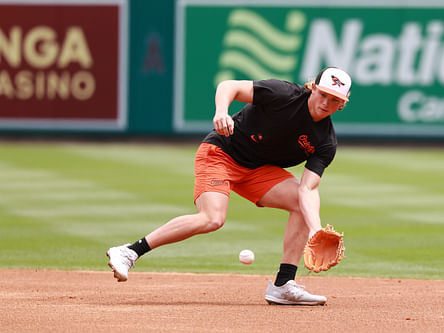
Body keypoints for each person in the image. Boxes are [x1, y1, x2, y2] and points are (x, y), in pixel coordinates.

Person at [106, 67, 352, 306]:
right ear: (312, 88)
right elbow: (229, 86)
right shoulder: (284, 94)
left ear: (342, 104)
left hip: (257, 170)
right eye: (323, 94)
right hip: (221, 153)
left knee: (302, 206)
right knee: (212, 218)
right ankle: (129, 252)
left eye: (334, 100)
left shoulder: (325, 142)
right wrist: (221, 112)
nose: (325, 103)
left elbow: (308, 189)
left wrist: (315, 230)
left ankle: (283, 285)